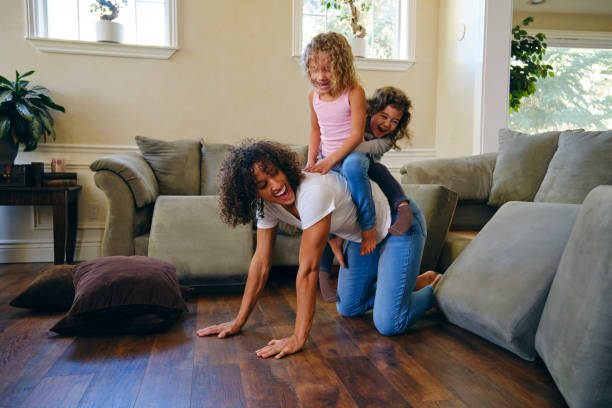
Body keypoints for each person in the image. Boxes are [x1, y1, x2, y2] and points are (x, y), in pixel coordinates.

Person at [196, 140, 441, 359]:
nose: (276, 185)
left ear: (282, 166)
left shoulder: (312, 191)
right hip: (362, 238)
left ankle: (437, 291)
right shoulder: (266, 206)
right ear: (252, 193)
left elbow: (309, 270)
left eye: (274, 173)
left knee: (389, 323)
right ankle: (412, 283)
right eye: (262, 185)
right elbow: (261, 262)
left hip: (398, 226)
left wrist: (298, 337)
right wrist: (238, 321)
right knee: (349, 307)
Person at [318, 86, 416, 302]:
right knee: (323, 209)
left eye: (394, 121)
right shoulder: (355, 121)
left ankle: (403, 207)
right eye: (384, 116)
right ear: (370, 110)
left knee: (379, 170)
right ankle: (323, 273)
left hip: (359, 165)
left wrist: (338, 150)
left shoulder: (386, 141)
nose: (388, 124)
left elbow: (356, 151)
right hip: (332, 164)